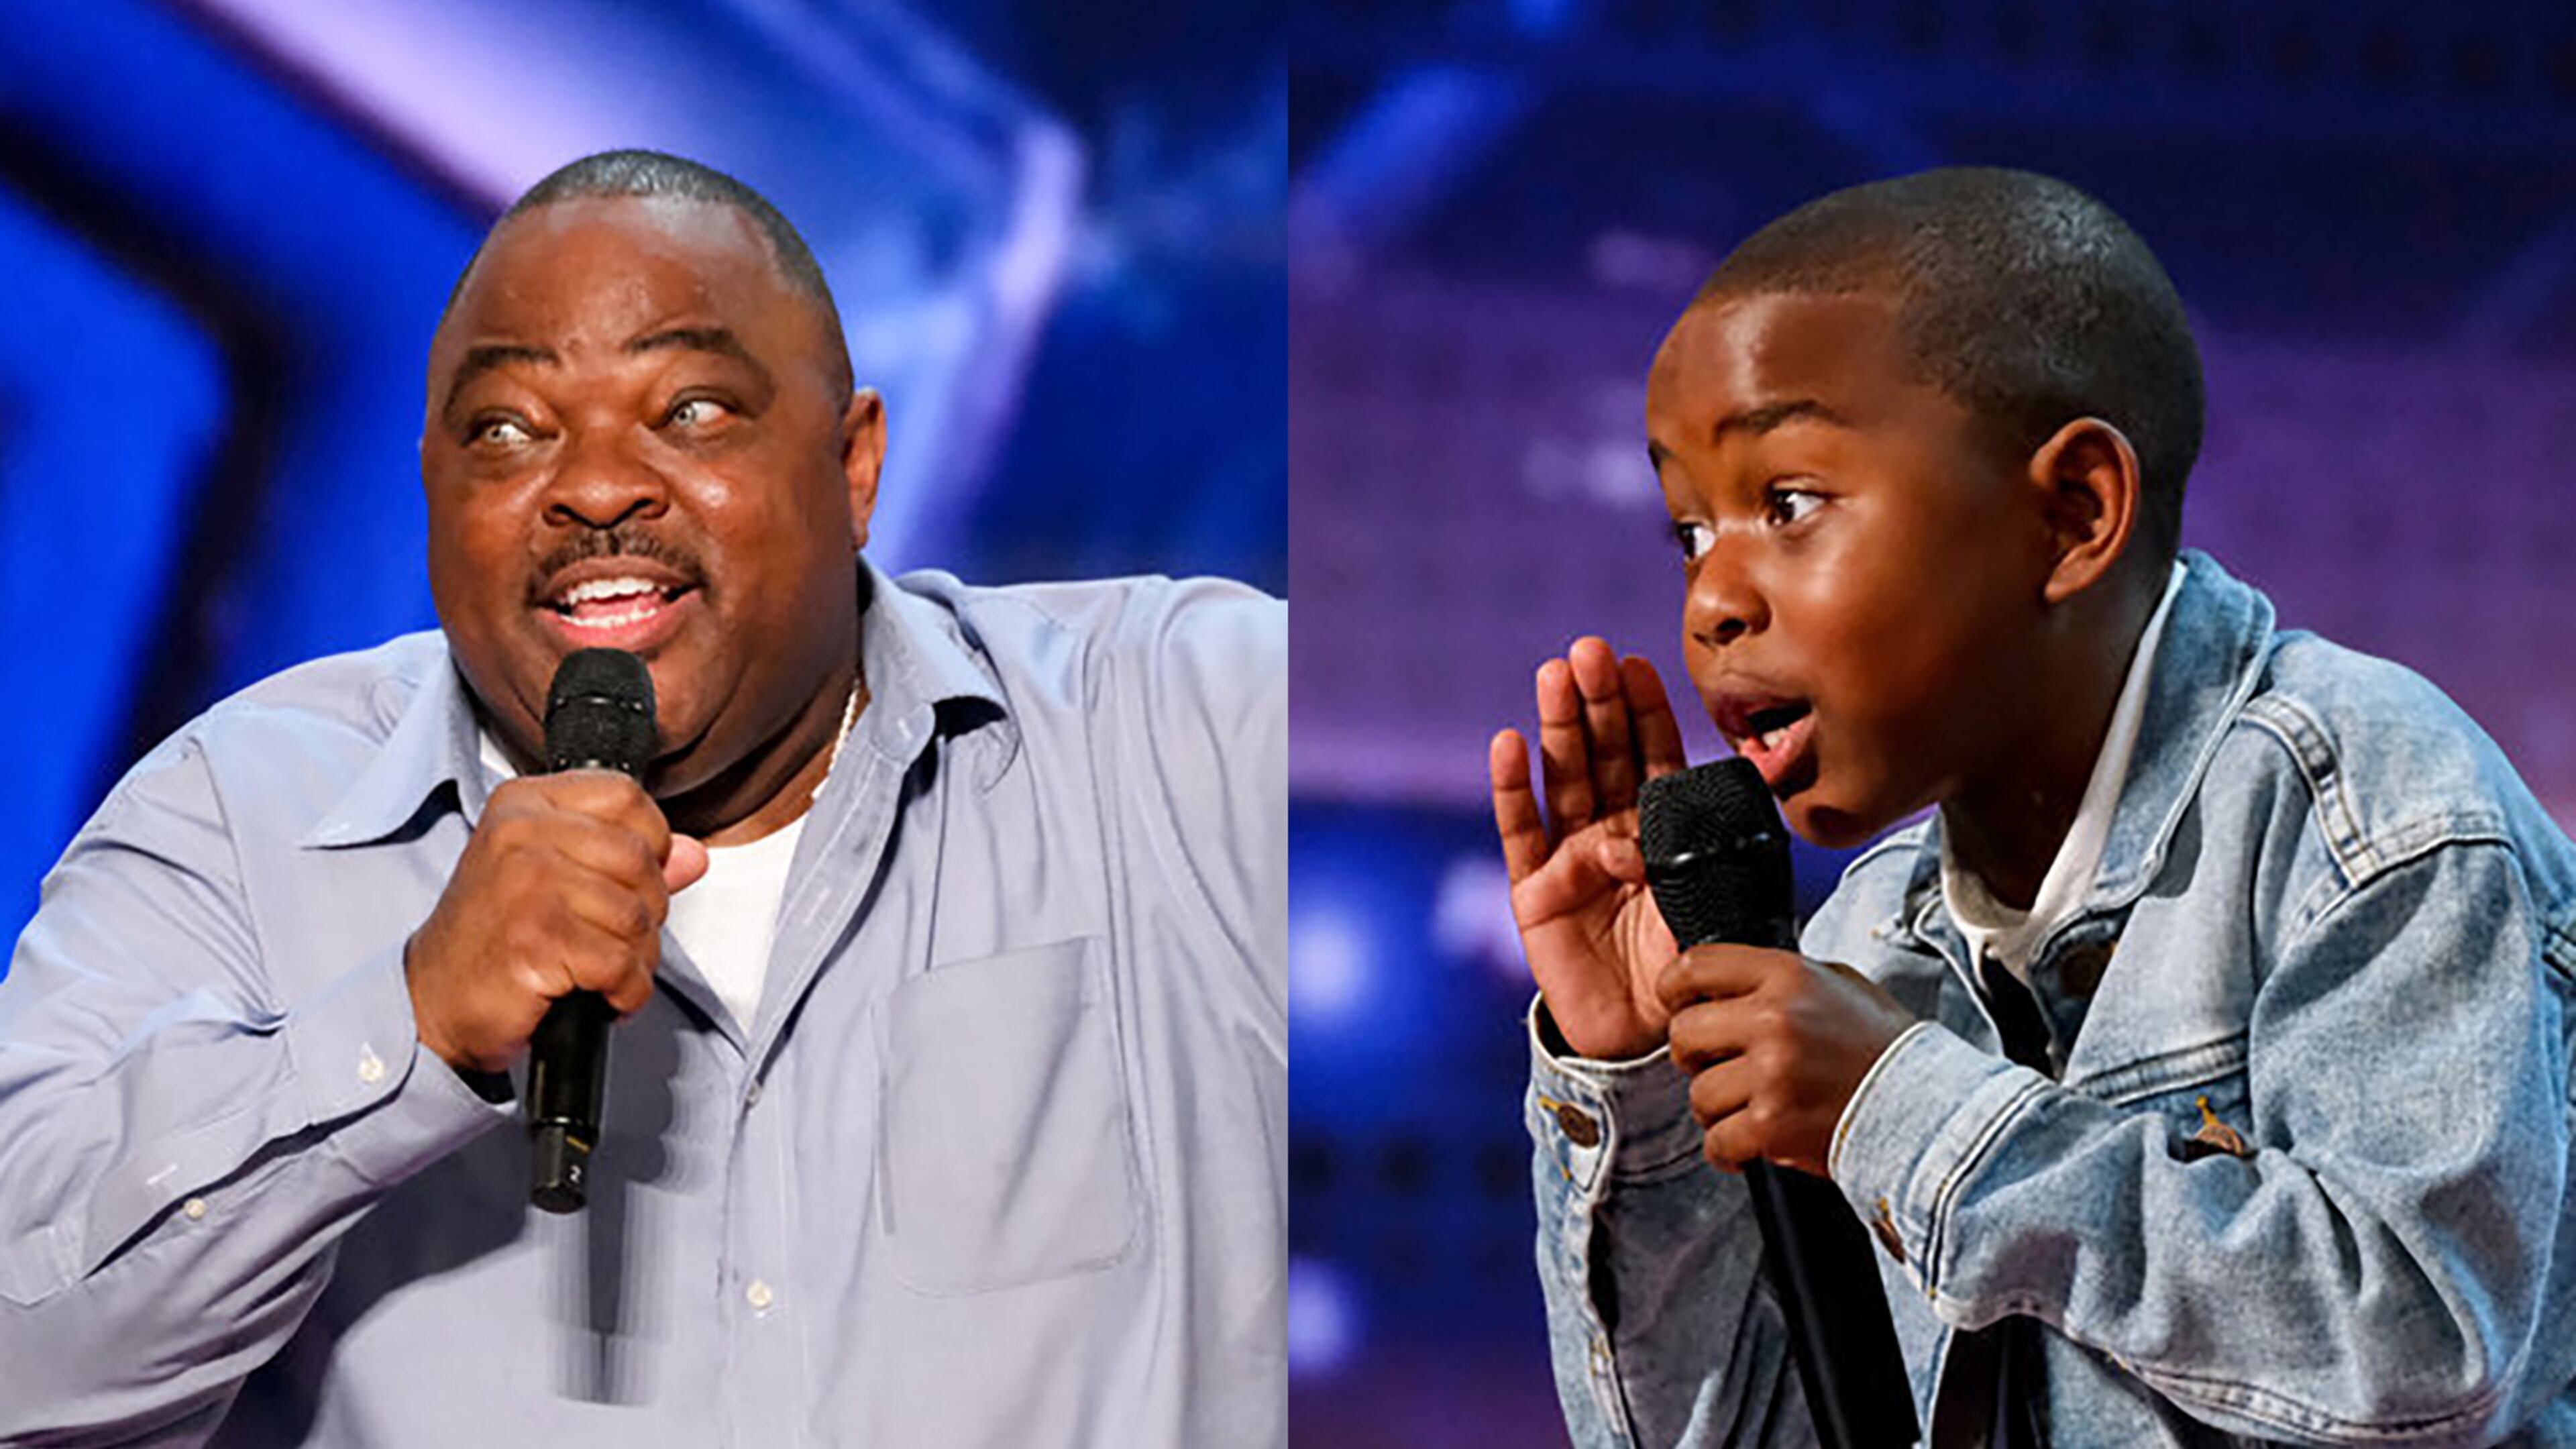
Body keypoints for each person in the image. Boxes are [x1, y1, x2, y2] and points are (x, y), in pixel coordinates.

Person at [0, 150, 1285, 1448]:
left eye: (692, 410)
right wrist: (410, 1025)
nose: (597, 486)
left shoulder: (1173, 725)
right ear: (433, 489)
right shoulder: (244, 818)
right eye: (509, 430)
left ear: (853, 467)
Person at [1493, 167, 2576, 1446]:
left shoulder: (2363, 809)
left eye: (1787, 505)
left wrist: (1907, 1108)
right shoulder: (1866, 943)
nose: (1712, 601)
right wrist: (1636, 1088)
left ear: (2073, 514)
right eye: (1689, 533)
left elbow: (2433, 1351)